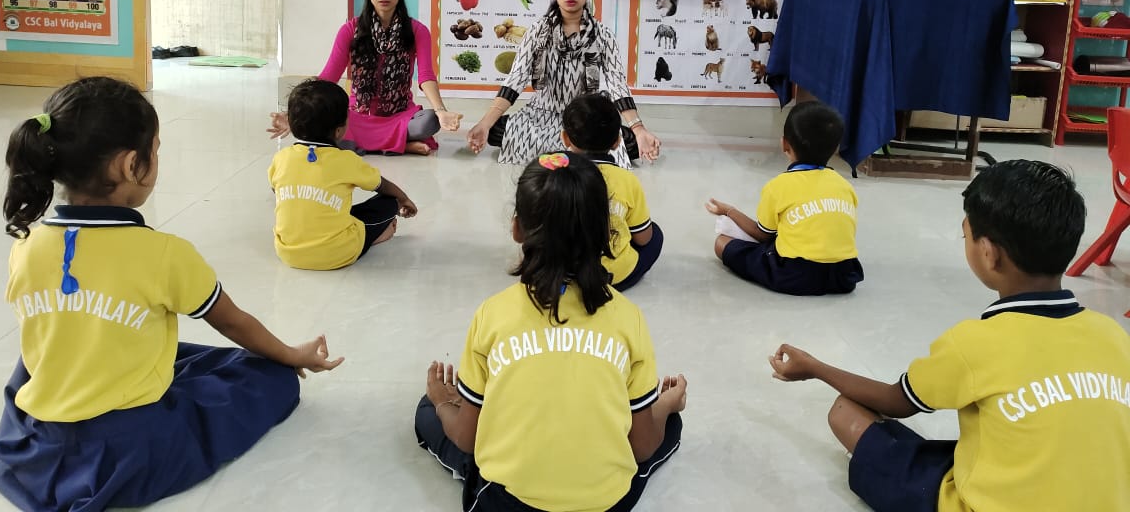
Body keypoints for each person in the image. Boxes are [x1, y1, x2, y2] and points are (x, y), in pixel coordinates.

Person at [0, 77, 343, 512]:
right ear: (131, 165)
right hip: (128, 446)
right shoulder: (163, 254)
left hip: (39, 433)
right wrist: (290, 355)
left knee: (76, 343)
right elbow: (233, 322)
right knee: (271, 377)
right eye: (156, 150)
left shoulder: (26, 246)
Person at [768, 160, 1130, 512]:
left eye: (966, 235)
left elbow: (898, 402)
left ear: (988, 254)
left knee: (844, 411)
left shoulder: (974, 343)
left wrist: (816, 368)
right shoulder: (1114, 336)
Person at [414, 151, 686, 511]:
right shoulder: (628, 317)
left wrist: (441, 400)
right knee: (667, 425)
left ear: (516, 228)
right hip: (605, 504)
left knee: (428, 412)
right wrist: (664, 407)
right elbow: (643, 447)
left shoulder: (492, 314)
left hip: (506, 503)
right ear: (607, 233)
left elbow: (466, 438)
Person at [466, 0, 660, 167]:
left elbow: (617, 85)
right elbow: (515, 79)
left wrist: (639, 129)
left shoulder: (603, 35)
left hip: (585, 118)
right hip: (541, 115)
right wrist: (485, 124)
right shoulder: (537, 31)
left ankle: (558, 149)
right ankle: (574, 149)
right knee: (496, 130)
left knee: (630, 142)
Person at [269, 0, 462, 154]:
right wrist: (294, 114)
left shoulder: (417, 31)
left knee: (428, 123)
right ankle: (402, 145)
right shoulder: (349, 30)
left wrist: (441, 112)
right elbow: (328, 78)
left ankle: (375, 145)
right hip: (357, 117)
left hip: (399, 116)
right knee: (323, 126)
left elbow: (426, 76)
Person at [707, 101, 863, 295]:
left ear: (784, 144)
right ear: (834, 148)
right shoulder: (845, 186)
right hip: (844, 276)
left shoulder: (778, 186)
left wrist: (729, 211)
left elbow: (764, 234)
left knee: (722, 243)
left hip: (795, 275)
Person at [269, 79, 418, 270]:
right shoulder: (346, 160)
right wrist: (403, 199)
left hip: (287, 252)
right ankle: (377, 236)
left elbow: (276, 190)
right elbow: (381, 184)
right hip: (336, 253)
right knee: (389, 202)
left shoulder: (281, 158)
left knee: (332, 213)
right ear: (339, 130)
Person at [562, 93, 664, 291]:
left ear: (565, 137)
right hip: (608, 276)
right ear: (618, 141)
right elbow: (643, 238)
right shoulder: (627, 180)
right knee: (655, 235)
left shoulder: (550, 171)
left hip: (556, 271)